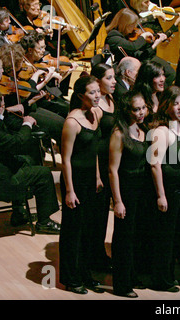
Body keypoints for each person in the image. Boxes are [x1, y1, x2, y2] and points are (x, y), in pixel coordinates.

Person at [0, 89, 61, 233]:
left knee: (26, 160)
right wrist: (26, 123)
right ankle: (44, 222)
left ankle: (19, 213)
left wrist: (3, 115)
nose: (4, 107)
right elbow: (17, 142)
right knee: (44, 173)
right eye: (2, 106)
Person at [58, 75, 104, 295]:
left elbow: (93, 150)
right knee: (72, 232)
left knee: (87, 230)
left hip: (89, 181)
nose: (97, 96)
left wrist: (97, 176)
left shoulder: (95, 114)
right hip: (74, 181)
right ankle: (70, 277)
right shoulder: (72, 121)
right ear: (80, 96)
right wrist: (69, 191)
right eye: (92, 92)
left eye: (98, 91)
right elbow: (65, 159)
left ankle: (85, 273)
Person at [109, 89, 151, 298]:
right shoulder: (119, 133)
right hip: (126, 188)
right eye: (137, 109)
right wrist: (117, 201)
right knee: (124, 238)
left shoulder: (143, 130)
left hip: (142, 189)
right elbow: (113, 170)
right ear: (127, 110)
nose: (141, 112)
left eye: (143, 107)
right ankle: (121, 284)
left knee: (137, 236)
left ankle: (132, 276)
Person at [148, 85, 180, 292]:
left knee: (173, 236)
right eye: (176, 103)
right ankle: (160, 279)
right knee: (163, 237)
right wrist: (161, 195)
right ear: (166, 105)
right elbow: (155, 164)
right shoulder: (162, 131)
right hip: (167, 189)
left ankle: (169, 275)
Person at [89, 63, 117, 272]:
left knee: (106, 215)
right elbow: (94, 143)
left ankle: (101, 255)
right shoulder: (96, 108)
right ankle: (95, 257)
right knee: (97, 216)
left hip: (112, 164)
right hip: (100, 164)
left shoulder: (111, 100)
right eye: (109, 78)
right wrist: (97, 174)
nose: (114, 81)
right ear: (97, 81)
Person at [104, 7, 175, 86]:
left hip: (139, 59)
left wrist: (155, 43)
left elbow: (138, 53)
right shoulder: (113, 37)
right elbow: (133, 47)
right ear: (124, 24)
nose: (134, 28)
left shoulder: (125, 34)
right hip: (128, 68)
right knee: (163, 74)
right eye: (132, 25)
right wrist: (143, 36)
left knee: (170, 72)